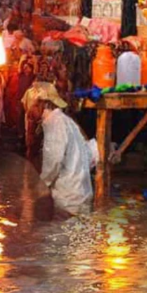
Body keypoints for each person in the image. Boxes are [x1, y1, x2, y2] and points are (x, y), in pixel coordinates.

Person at [38, 88, 96, 217]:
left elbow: (54, 160)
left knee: (63, 227)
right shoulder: (66, 121)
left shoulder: (54, 122)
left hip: (67, 197)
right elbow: (89, 154)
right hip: (82, 192)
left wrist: (42, 184)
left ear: (44, 104)